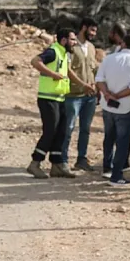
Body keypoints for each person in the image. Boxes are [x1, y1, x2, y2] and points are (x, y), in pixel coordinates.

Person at [27, 28, 79, 179]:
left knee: (61, 131)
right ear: (64, 40)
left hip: (59, 98)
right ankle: (35, 163)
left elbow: (67, 72)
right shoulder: (53, 51)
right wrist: (53, 74)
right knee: (50, 131)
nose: (75, 43)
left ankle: (57, 165)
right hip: (48, 98)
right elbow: (35, 61)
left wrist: (83, 85)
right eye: (72, 39)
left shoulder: (64, 53)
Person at [96, 30, 130, 186]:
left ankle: (106, 168)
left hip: (107, 106)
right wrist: (117, 96)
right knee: (123, 142)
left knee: (108, 138)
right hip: (124, 107)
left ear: (123, 44)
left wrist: (107, 94)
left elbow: (99, 80)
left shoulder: (109, 59)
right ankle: (117, 175)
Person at [62, 17, 99, 172]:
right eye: (92, 30)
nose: (94, 34)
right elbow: (68, 70)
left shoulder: (91, 47)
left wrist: (97, 85)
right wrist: (83, 85)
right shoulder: (71, 46)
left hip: (89, 97)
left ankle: (81, 159)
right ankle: (62, 160)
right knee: (68, 128)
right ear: (84, 28)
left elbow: (94, 69)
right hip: (73, 95)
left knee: (85, 129)